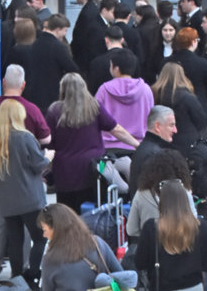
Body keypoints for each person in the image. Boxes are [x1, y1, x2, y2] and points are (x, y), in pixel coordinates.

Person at [46, 72, 139, 211]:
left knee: (67, 213)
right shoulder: (94, 107)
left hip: (64, 173)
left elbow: (48, 142)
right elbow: (116, 129)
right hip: (93, 170)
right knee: (91, 211)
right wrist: (136, 144)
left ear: (62, 89)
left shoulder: (54, 111)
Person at [0, 99, 50, 283]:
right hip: (30, 198)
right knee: (40, 238)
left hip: (6, 199)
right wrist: (48, 157)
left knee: (15, 240)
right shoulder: (25, 137)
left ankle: (17, 277)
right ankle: (33, 275)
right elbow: (38, 165)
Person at [127, 142, 197, 239]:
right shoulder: (185, 192)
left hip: (150, 244)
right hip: (182, 243)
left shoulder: (141, 193)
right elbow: (194, 223)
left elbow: (131, 230)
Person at [95, 48, 154, 152]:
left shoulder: (104, 90)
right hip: (137, 146)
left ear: (116, 69)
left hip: (108, 148)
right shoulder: (145, 89)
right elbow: (151, 118)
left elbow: (94, 117)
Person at [23, 14, 79, 116]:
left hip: (34, 94)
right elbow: (72, 69)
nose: (65, 34)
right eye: (65, 30)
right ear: (57, 29)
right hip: (53, 94)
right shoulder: (58, 47)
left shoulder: (34, 44)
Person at [151, 62, 207, 156]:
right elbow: (201, 121)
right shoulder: (188, 98)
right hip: (186, 144)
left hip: (159, 141)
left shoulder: (154, 95)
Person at [167, 26, 207, 112]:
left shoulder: (168, 61)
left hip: (172, 105)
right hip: (199, 105)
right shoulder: (202, 63)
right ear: (193, 42)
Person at [128, 105, 178, 198]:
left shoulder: (144, 148)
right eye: (171, 125)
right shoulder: (155, 154)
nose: (175, 130)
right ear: (157, 126)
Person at [87, 25, 125, 96]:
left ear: (106, 40)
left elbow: (92, 89)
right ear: (122, 40)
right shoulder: (133, 59)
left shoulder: (97, 62)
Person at [143, 18, 178, 84]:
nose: (168, 33)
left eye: (171, 30)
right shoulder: (155, 49)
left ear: (175, 31)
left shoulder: (180, 49)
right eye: (165, 30)